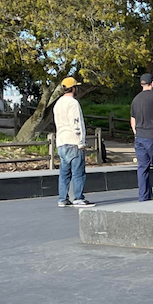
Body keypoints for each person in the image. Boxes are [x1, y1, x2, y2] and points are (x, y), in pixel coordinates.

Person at [53, 77, 93, 207]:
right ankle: (78, 197)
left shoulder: (58, 103)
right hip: (73, 141)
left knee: (64, 172)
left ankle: (62, 198)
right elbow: (75, 123)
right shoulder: (73, 103)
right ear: (73, 88)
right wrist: (80, 141)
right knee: (78, 172)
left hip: (61, 141)